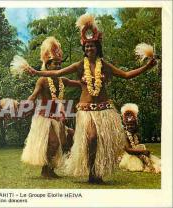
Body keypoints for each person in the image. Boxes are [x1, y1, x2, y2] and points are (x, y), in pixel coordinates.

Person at [25, 14, 157, 183]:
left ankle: (96, 174)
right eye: (86, 46)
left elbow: (126, 75)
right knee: (92, 138)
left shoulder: (105, 65)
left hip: (104, 110)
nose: (89, 49)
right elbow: (58, 72)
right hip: (86, 111)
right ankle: (89, 171)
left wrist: (147, 66)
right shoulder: (80, 65)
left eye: (92, 46)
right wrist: (37, 72)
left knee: (100, 143)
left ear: (97, 47)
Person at [21, 37, 81, 178]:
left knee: (62, 143)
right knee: (53, 143)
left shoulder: (63, 80)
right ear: (48, 65)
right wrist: (26, 104)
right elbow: (34, 95)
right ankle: (45, 170)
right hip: (44, 117)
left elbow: (78, 83)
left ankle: (49, 170)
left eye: (60, 64)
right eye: (56, 64)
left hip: (57, 118)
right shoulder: (42, 80)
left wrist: (86, 81)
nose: (59, 67)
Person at [119, 103, 161, 173]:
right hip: (129, 156)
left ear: (136, 125)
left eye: (132, 125)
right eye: (128, 125)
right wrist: (142, 151)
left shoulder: (136, 135)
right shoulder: (124, 135)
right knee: (137, 166)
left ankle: (150, 165)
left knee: (150, 159)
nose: (130, 126)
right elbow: (128, 150)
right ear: (125, 125)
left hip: (138, 153)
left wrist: (142, 150)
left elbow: (138, 145)